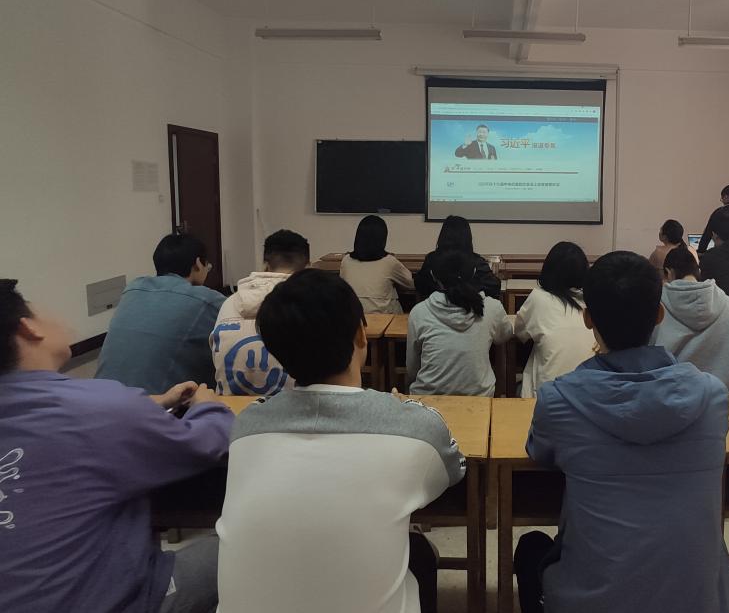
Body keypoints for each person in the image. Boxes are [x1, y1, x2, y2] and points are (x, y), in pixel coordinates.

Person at [217, 269, 465, 613]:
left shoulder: (246, 427)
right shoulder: (413, 427)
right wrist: (405, 411)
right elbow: (454, 473)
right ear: (361, 335)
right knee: (418, 551)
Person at [514, 252, 729, 613]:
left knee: (531, 548)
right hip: (699, 602)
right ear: (659, 314)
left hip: (592, 601)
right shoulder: (712, 397)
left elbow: (539, 453)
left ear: (588, 318)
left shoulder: (558, 400)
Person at [0, 279, 232, 613]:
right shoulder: (96, 407)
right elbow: (208, 442)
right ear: (29, 328)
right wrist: (208, 407)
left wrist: (147, 407)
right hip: (112, 603)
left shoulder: (96, 408)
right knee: (248, 543)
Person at [96, 233, 225, 394]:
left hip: (99, 395)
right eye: (208, 266)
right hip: (153, 403)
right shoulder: (206, 300)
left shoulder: (133, 288)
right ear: (198, 263)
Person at [211, 229, 310, 396]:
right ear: (308, 266)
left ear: (265, 265)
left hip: (229, 405)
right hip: (294, 406)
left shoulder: (229, 302)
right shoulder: (313, 302)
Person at [406, 249, 512, 396]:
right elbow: (505, 335)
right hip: (479, 398)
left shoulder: (419, 312)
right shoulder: (492, 307)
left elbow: (412, 368)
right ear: (474, 272)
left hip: (427, 398)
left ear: (433, 276)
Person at [650, 246, 729, 393]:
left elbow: (647, 353)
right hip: (723, 396)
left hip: (672, 397)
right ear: (698, 272)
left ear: (669, 273)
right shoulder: (728, 304)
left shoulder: (657, 306)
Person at [514, 242, 594, 398]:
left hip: (547, 398)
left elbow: (519, 333)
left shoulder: (539, 298)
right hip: (588, 395)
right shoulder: (591, 301)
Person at [340, 215, 414, 315]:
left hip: (353, 318)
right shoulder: (389, 262)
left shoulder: (346, 260)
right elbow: (410, 283)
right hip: (384, 318)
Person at [413, 215, 501, 299]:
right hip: (469, 306)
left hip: (435, 307)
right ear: (467, 237)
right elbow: (494, 286)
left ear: (443, 236)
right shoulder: (476, 261)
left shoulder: (432, 259)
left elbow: (420, 285)